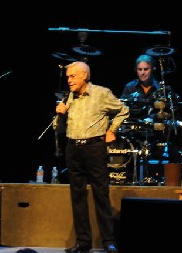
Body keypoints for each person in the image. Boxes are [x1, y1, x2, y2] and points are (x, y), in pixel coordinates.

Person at [55, 61, 129, 253]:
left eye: (72, 76)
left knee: (101, 194)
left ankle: (108, 241)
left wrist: (112, 130)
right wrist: (60, 114)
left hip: (94, 147)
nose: (68, 80)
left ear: (84, 76)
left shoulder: (101, 93)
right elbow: (58, 127)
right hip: (73, 148)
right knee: (77, 195)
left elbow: (123, 110)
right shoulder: (69, 97)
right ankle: (83, 242)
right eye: (68, 77)